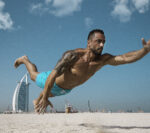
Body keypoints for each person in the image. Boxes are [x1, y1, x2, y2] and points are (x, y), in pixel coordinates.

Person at [14, 29, 150, 114]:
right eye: (98, 41)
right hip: (51, 80)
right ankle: (25, 60)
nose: (102, 45)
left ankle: (42, 96)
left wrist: (144, 51)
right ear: (89, 42)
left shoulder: (103, 60)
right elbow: (54, 74)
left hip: (66, 90)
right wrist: (44, 98)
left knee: (48, 94)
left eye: (104, 42)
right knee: (33, 76)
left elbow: (125, 58)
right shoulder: (73, 55)